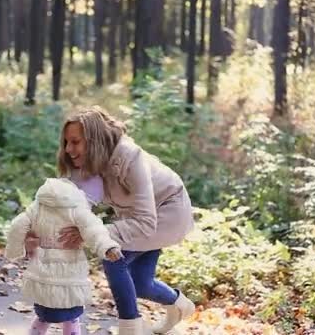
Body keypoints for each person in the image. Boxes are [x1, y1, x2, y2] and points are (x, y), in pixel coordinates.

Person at [28, 106, 197, 335]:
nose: (69, 149)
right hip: (135, 217)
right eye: (67, 142)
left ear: (94, 140)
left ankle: (130, 328)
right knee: (139, 282)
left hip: (168, 212)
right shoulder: (87, 163)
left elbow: (146, 222)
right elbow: (64, 202)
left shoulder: (130, 157)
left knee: (112, 256)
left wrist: (91, 233)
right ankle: (179, 305)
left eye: (75, 142)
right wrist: (36, 228)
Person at [5, 177, 124, 335]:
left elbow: (17, 226)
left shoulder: (38, 206)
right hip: (71, 267)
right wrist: (107, 247)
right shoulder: (77, 208)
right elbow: (93, 229)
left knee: (44, 314)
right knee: (71, 315)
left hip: (43, 266)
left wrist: (14, 250)